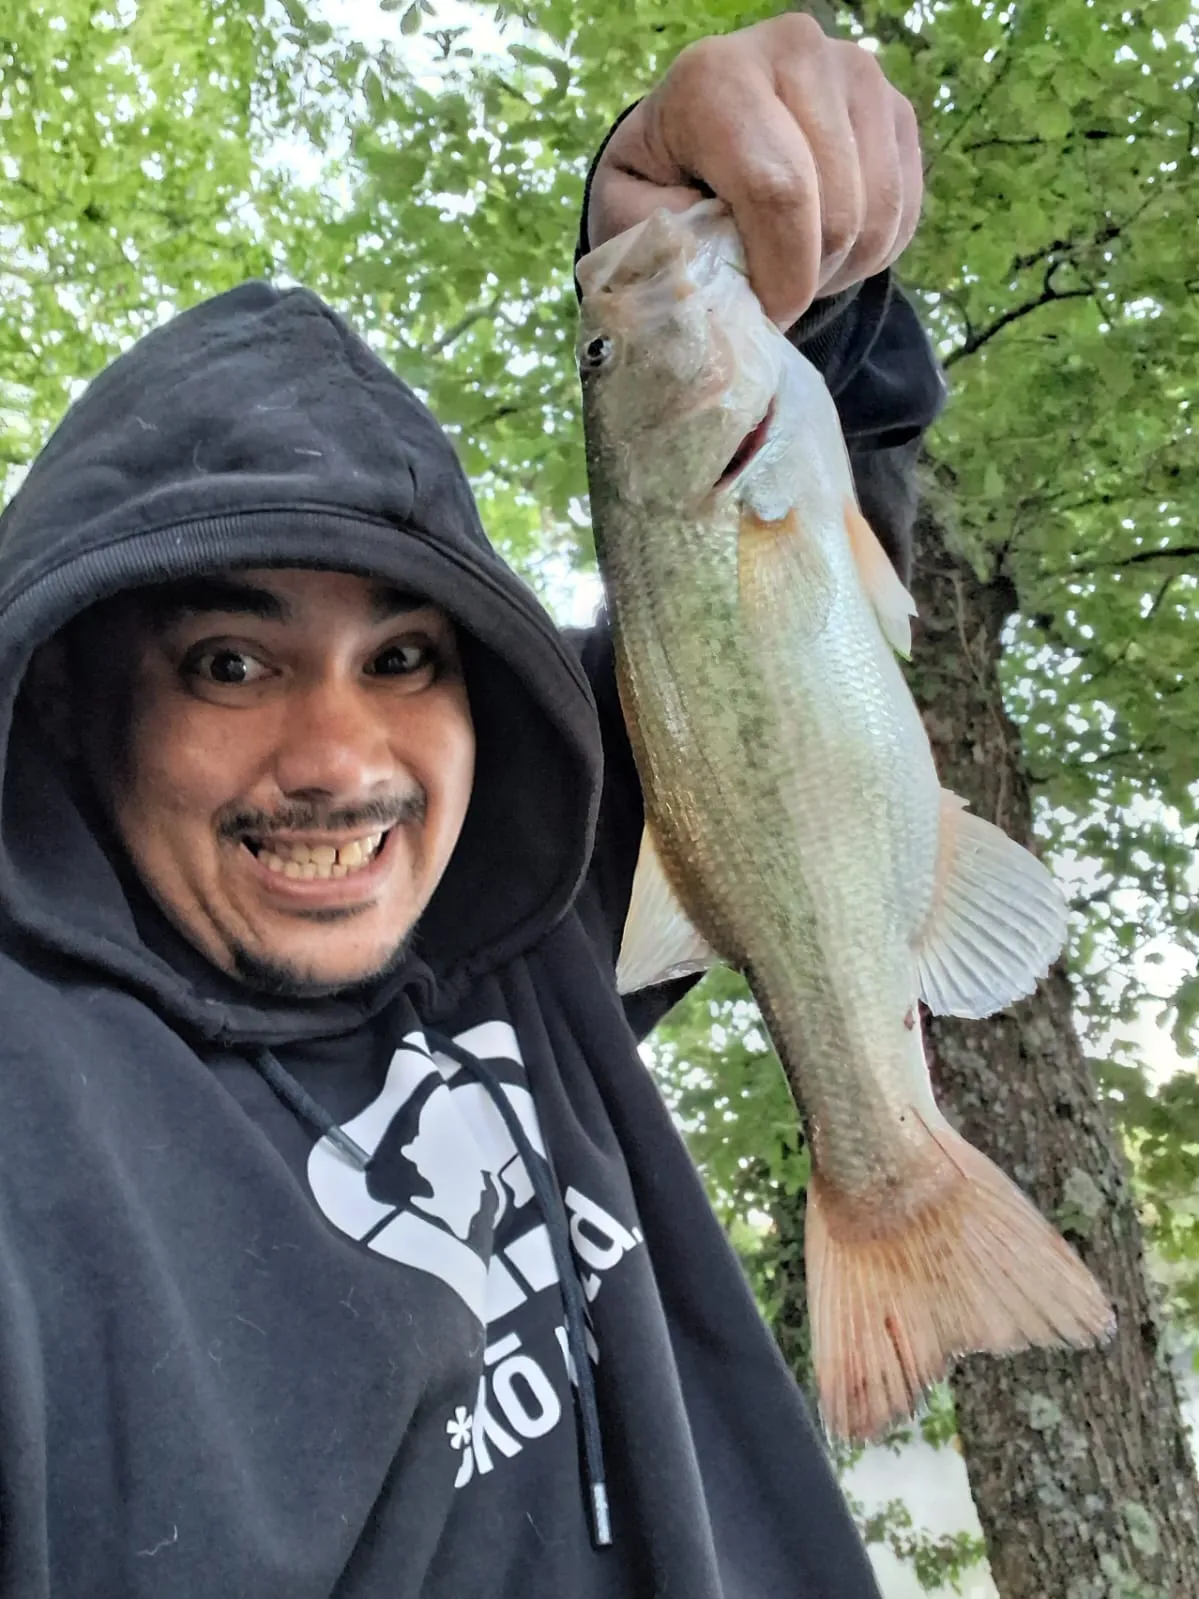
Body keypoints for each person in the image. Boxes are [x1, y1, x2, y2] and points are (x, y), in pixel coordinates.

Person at [0, 15, 943, 1598]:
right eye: (231, 661)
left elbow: (779, 671)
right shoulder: (36, 1112)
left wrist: (727, 243)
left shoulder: (526, 904)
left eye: (408, 654)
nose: (339, 756)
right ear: (85, 709)